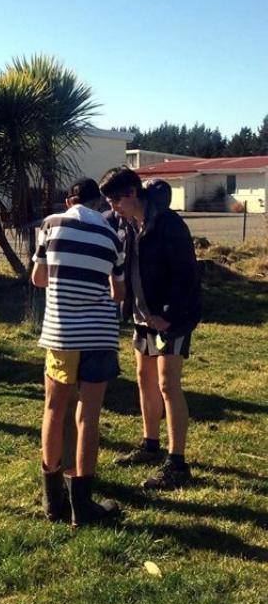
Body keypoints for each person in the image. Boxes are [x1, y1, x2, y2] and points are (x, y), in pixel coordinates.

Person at [99, 166, 201, 491]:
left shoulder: (169, 224)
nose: (112, 206)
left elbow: (187, 275)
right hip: (142, 319)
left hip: (173, 318)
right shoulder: (128, 223)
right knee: (144, 380)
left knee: (168, 385)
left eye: (115, 199)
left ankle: (177, 463)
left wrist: (168, 314)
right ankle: (150, 445)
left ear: (131, 192)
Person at [32, 177, 125, 528]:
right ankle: (82, 505)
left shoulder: (51, 225)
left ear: (71, 200)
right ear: (98, 202)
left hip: (62, 334)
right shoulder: (112, 235)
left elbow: (39, 279)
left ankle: (52, 498)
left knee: (54, 409)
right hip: (100, 335)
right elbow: (118, 292)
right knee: (89, 415)